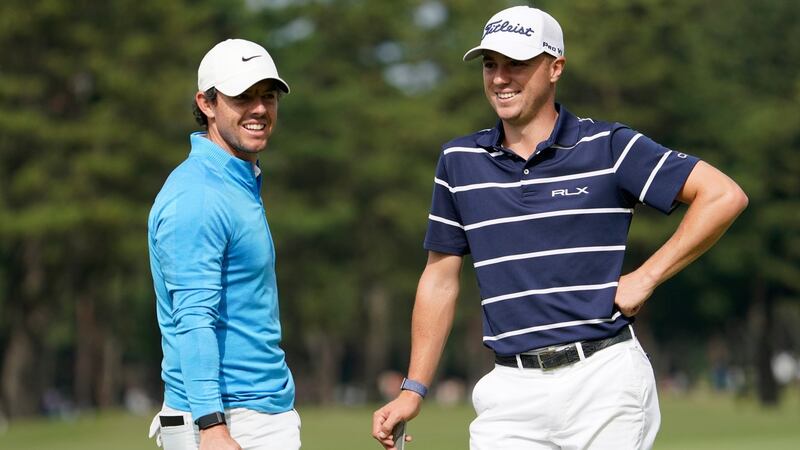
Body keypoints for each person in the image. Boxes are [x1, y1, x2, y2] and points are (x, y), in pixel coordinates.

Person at [372, 6, 747, 450]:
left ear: (555, 68)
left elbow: (723, 195)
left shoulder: (608, 146)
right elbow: (439, 279)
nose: (500, 78)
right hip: (509, 390)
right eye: (491, 65)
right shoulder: (458, 161)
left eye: (517, 64)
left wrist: (645, 277)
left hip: (603, 379)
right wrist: (413, 388)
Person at [147, 39, 300, 450]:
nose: (259, 109)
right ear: (207, 103)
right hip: (228, 419)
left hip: (252, 411)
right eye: (242, 97)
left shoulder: (234, 181)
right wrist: (212, 426)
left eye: (267, 96)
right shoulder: (197, 195)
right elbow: (194, 318)